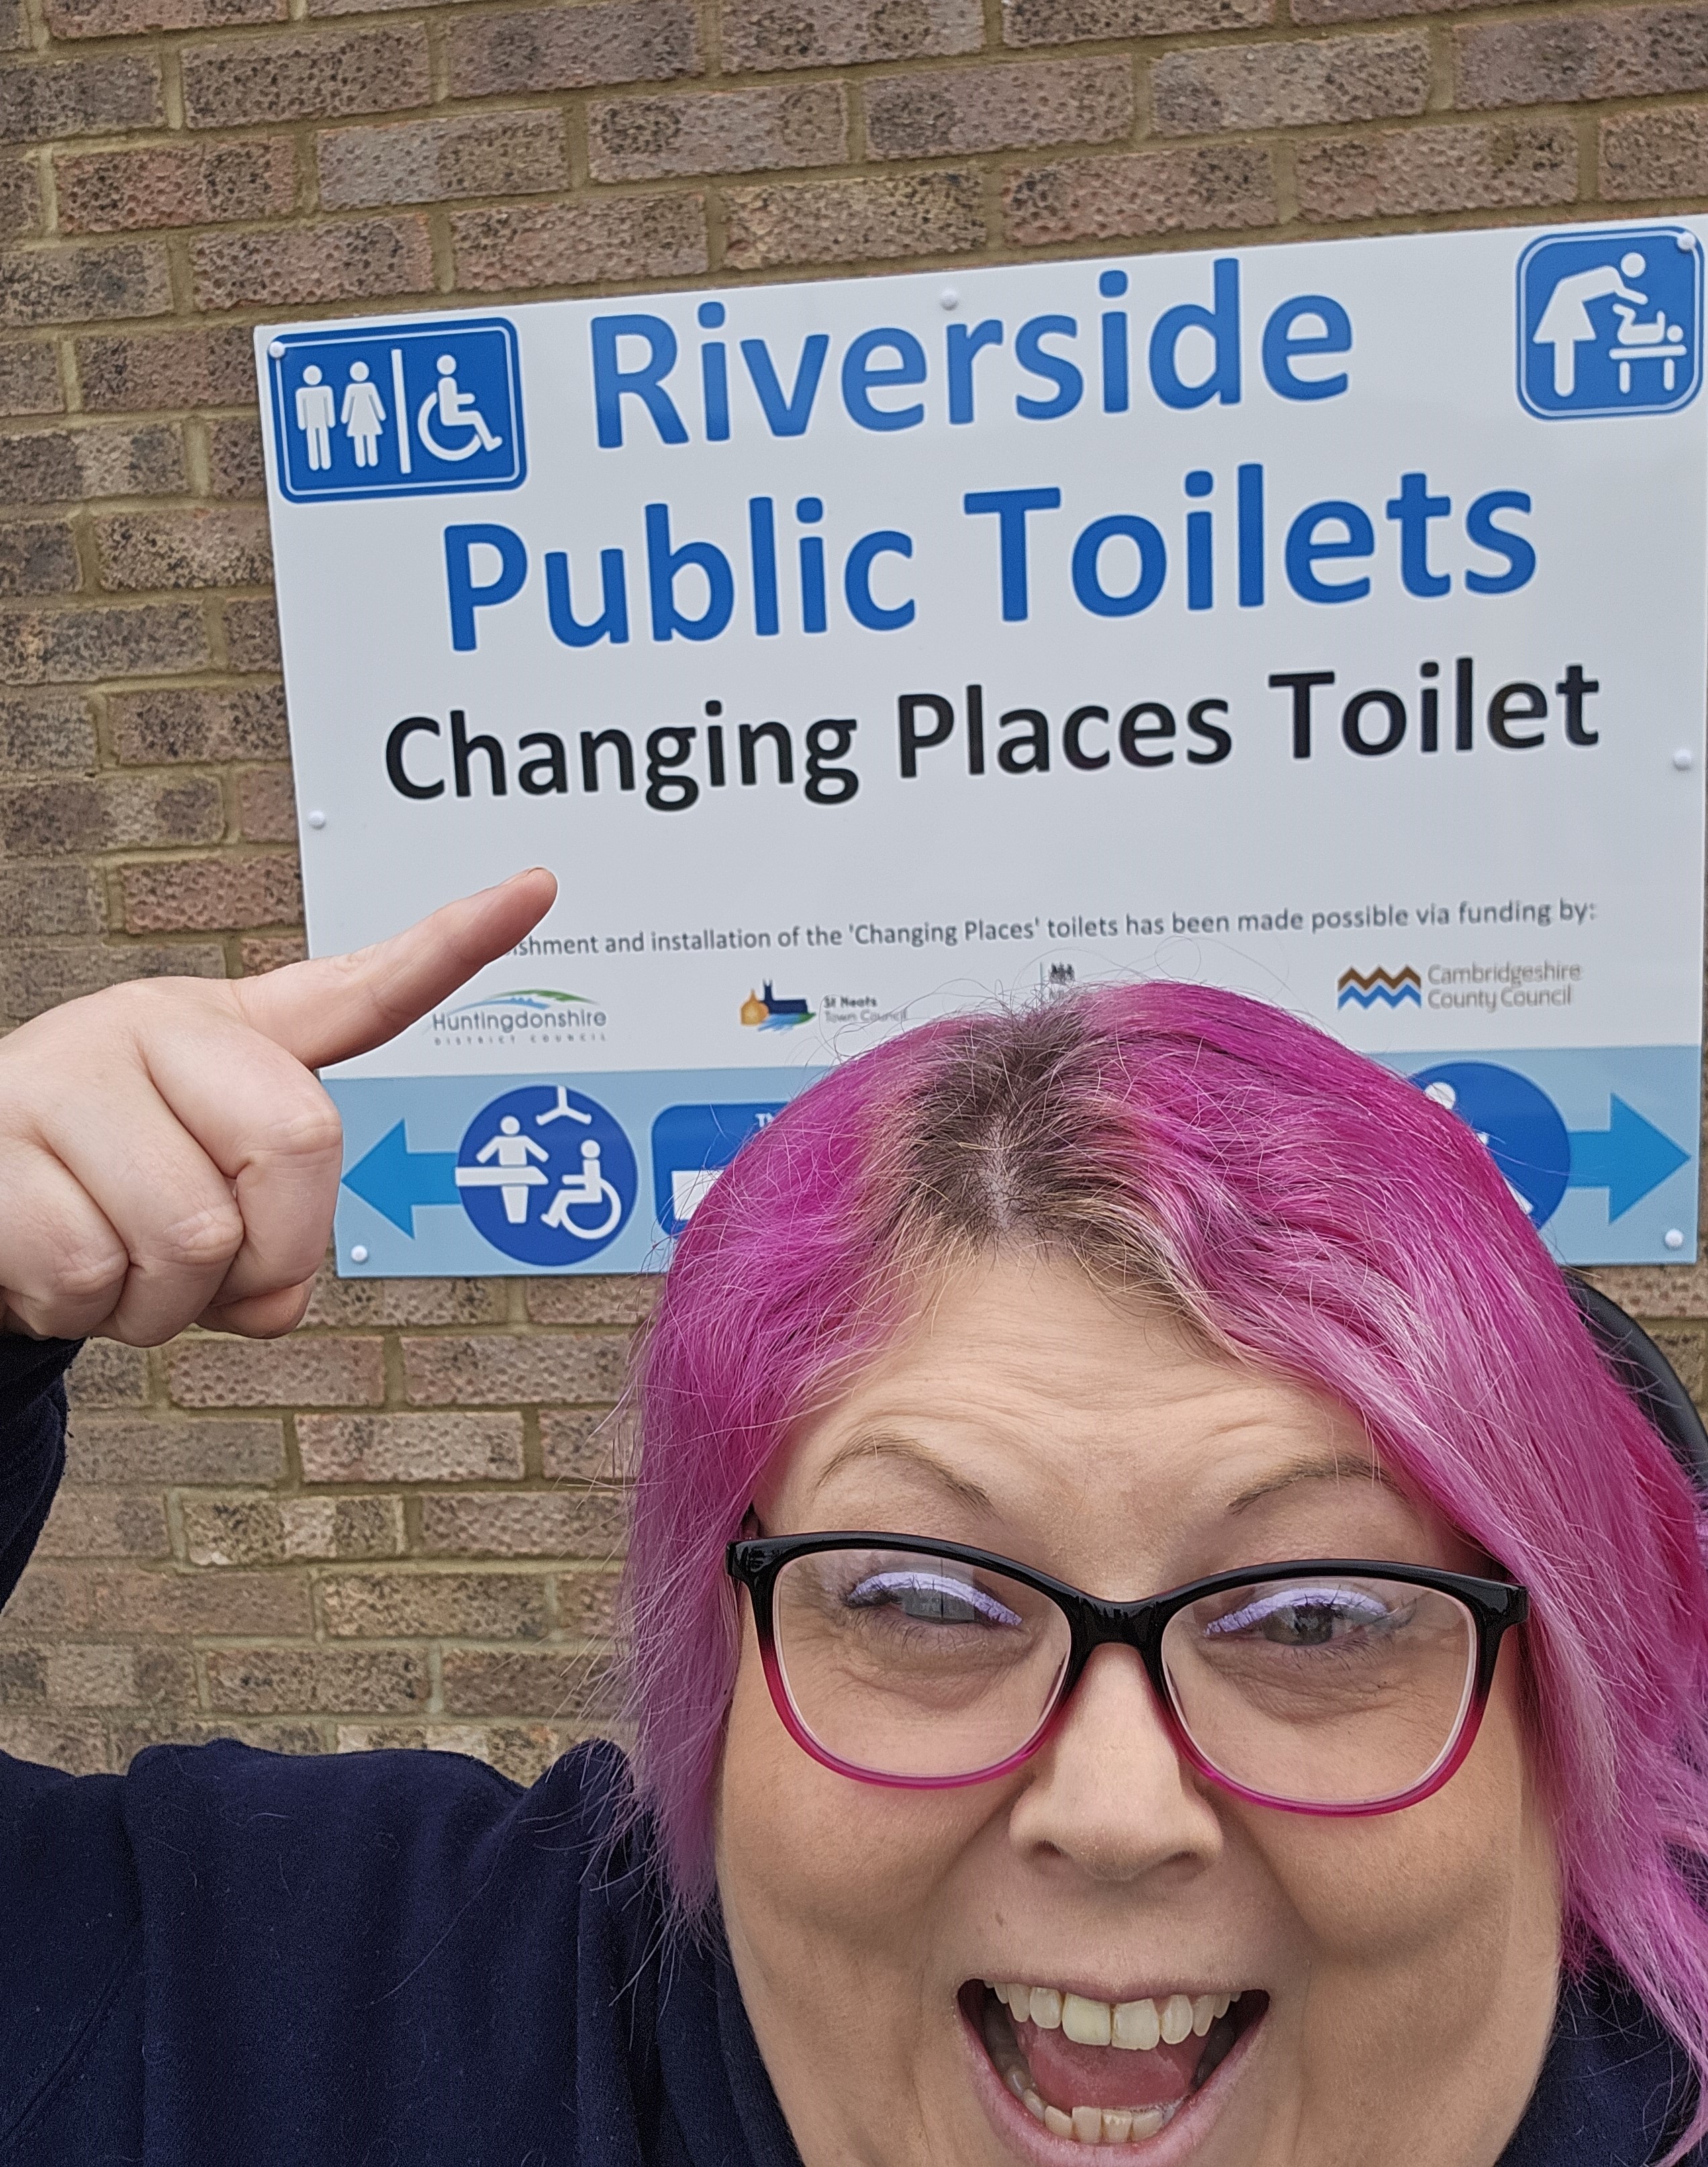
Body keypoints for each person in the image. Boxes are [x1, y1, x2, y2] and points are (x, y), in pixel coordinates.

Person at [0, 868, 1705, 2167]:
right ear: (718, 1651)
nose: (1115, 1815)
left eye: (1318, 1617)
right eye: (920, 1599)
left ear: (1565, 1694)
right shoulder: (363, 2015)